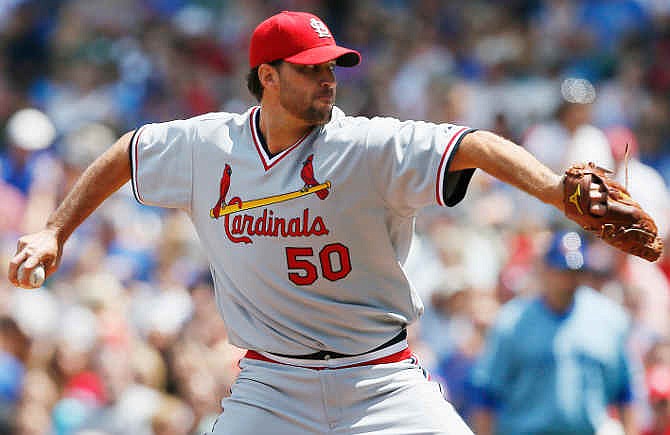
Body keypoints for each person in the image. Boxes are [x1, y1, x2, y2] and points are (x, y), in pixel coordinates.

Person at [8, 11, 617, 435]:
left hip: (380, 381)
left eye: (332, 65)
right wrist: (56, 230)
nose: (328, 77)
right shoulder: (205, 144)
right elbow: (127, 151)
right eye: (310, 67)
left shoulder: (367, 145)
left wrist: (553, 191)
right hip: (271, 386)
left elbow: (474, 145)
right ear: (266, 76)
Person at [470, 231, 638, 435]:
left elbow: (625, 392)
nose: (568, 279)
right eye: (561, 271)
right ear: (545, 269)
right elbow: (486, 394)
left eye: (575, 271)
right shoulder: (512, 321)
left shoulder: (609, 319)